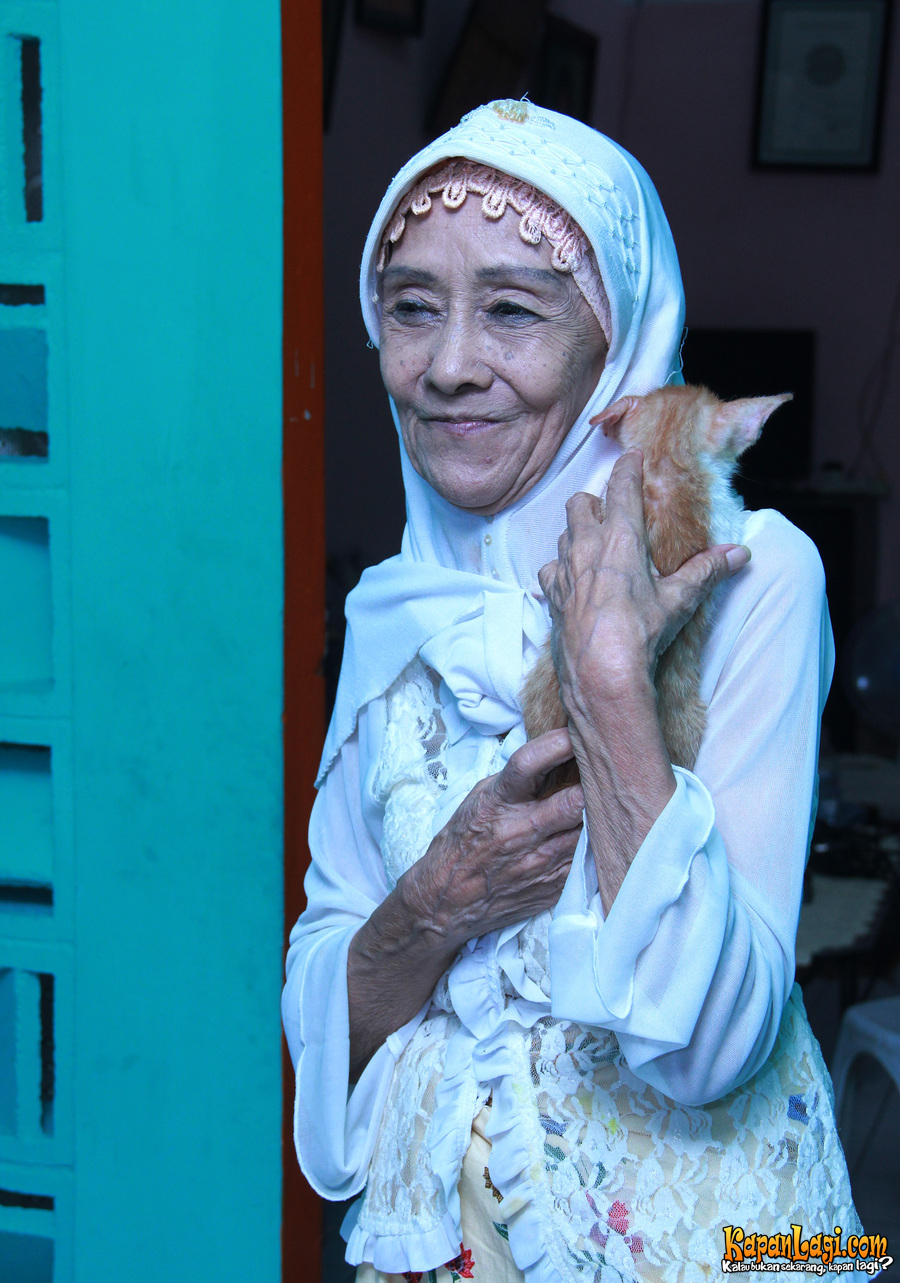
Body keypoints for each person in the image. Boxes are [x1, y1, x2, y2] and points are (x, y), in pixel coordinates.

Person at [282, 101, 860, 1283]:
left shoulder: (754, 576)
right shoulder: (391, 612)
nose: (446, 366)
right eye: (409, 308)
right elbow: (323, 994)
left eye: (510, 309)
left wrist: (611, 693)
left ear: (618, 346)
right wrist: (437, 899)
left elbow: (717, 1048)